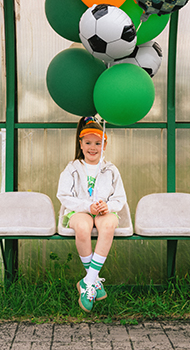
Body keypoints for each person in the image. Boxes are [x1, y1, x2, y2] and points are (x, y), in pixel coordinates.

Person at [56, 116, 127, 312]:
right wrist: (88, 207)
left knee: (108, 225)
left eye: (97, 143)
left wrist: (107, 206)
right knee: (82, 226)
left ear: (104, 145)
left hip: (104, 212)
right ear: (81, 144)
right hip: (80, 211)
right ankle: (94, 281)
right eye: (88, 143)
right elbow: (64, 195)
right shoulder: (72, 168)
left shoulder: (111, 170)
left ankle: (87, 281)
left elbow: (120, 197)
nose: (92, 148)